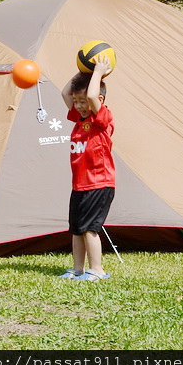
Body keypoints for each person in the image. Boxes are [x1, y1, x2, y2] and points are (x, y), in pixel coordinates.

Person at [58, 55, 115, 282]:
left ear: (98, 100)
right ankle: (78, 269)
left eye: (82, 102)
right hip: (80, 184)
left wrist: (98, 73)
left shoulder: (102, 118)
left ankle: (97, 270)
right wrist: (82, 73)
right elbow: (65, 94)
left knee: (90, 229)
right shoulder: (79, 119)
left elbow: (91, 94)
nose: (79, 105)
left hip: (98, 183)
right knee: (77, 229)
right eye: (77, 101)